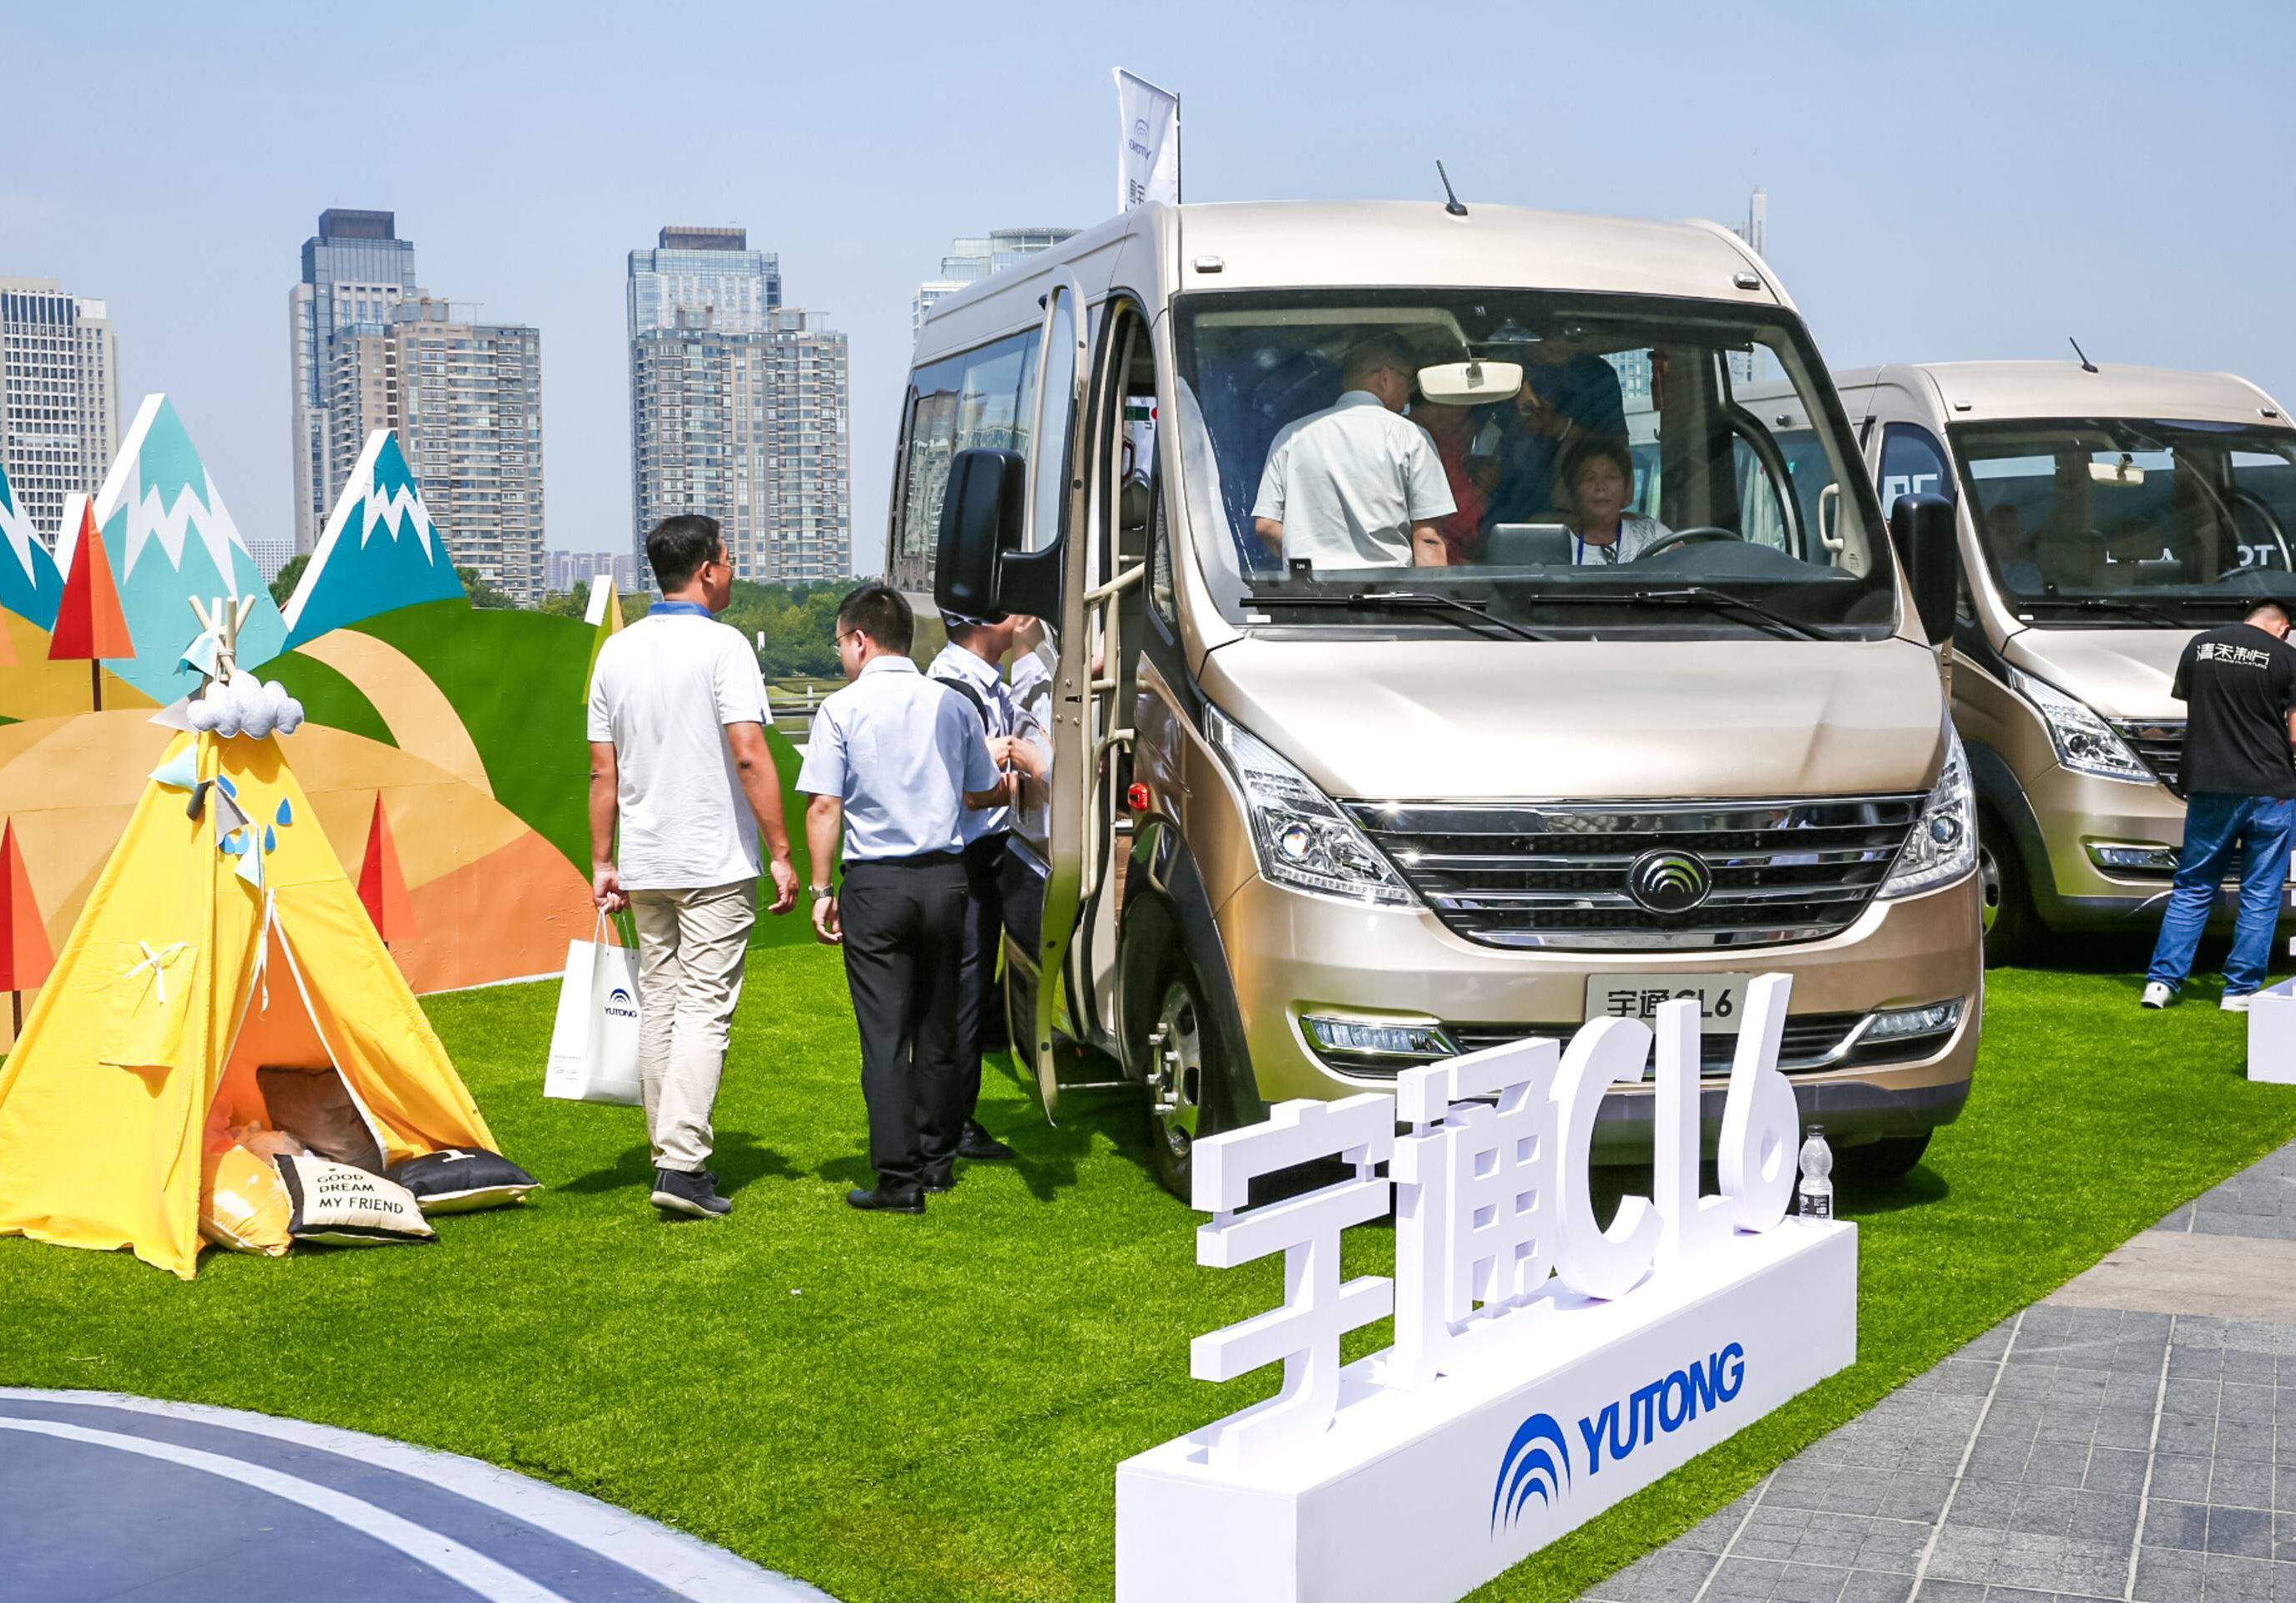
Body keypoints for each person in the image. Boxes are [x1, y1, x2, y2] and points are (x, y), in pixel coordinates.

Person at [588, 514, 799, 1219]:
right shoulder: (724, 646)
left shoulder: (615, 653)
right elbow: (749, 753)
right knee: (705, 1006)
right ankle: (682, 1164)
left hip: (645, 858)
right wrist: (781, 851)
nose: (732, 571)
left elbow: (602, 771)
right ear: (707, 569)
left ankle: (667, 1152)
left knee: (663, 1002)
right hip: (712, 857)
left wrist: (602, 860)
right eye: (729, 560)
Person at [798, 584, 1007, 1213]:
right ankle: (937, 1162)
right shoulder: (952, 703)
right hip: (946, 878)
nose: (841, 654)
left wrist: (821, 889)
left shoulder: (841, 708)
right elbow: (981, 791)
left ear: (860, 640)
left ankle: (899, 1178)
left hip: (877, 882)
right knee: (938, 1025)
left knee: (885, 1036)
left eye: (841, 643)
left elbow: (825, 805)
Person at [928, 610, 1047, 1163]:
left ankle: (952, 1112)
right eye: (1012, 607)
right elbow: (968, 792)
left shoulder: (979, 681)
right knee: (965, 991)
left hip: (987, 854)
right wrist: (1035, 779)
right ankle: (954, 1120)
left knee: (974, 988)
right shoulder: (955, 688)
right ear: (982, 621)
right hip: (968, 857)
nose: (1025, 614)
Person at [2142, 599, 2296, 1012]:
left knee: (2194, 885)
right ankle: (2238, 991)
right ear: (2282, 628)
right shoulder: (2287, 657)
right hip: (2271, 789)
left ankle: (2161, 983)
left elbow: (2196, 708)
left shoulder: (2201, 646)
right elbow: (2295, 736)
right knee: (2260, 891)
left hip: (2209, 784)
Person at [1251, 336, 1454, 569]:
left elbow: (1266, 525)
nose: (1409, 395)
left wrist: (1301, 557)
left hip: (1309, 587)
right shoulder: (1410, 436)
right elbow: (1428, 539)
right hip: (1389, 588)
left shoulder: (1290, 435)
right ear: (1385, 378)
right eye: (1408, 382)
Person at [1478, 338, 1627, 532]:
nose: (1561, 340)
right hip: (1497, 510)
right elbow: (1463, 433)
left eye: (1572, 335)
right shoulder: (1499, 370)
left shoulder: (1596, 376)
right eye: (1550, 333)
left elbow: (1619, 449)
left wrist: (1561, 428)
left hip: (1576, 518)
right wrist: (1474, 467)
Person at [1560, 437, 1668, 565]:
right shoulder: (1556, 545)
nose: (1601, 487)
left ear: (1626, 487)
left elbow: (1684, 565)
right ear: (1573, 491)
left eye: (1610, 476)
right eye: (1589, 478)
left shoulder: (1651, 533)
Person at [1410, 396, 1490, 565]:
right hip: (1440, 568)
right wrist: (1483, 490)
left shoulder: (1394, 436)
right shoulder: (1435, 449)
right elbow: (1465, 525)